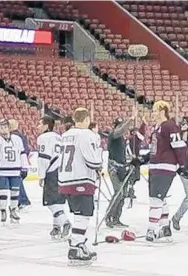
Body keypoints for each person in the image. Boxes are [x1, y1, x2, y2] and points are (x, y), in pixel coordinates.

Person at [58, 108, 103, 265]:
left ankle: (79, 243)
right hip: (81, 179)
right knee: (83, 214)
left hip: (65, 180)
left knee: (78, 214)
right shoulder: (86, 134)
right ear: (86, 119)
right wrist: (99, 164)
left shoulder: (65, 135)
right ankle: (76, 246)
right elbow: (93, 161)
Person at [146, 100, 187, 242]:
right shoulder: (157, 127)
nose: (153, 113)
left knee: (155, 199)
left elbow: (178, 145)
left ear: (163, 111)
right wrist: (142, 159)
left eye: (155, 110)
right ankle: (164, 227)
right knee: (160, 198)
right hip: (155, 166)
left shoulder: (170, 126)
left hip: (165, 167)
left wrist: (182, 165)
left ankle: (151, 228)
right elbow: (154, 149)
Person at [37, 116, 71, 240]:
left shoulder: (43, 138)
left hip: (51, 171)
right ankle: (56, 227)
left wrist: (41, 175)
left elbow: (44, 157)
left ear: (46, 126)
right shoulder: (59, 136)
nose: (38, 127)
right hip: (61, 171)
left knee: (51, 202)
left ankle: (65, 222)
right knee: (58, 201)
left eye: (40, 124)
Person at [0, 119, 29, 224]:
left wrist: (24, 167)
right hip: (2, 171)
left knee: (15, 192)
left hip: (15, 170)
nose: (3, 129)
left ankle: (13, 210)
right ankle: (3, 210)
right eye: (1, 127)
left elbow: (22, 154)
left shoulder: (17, 139)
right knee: (3, 192)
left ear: (9, 128)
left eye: (5, 127)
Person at [105, 107, 138, 228]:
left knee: (123, 194)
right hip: (114, 169)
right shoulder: (113, 135)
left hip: (122, 168)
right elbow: (119, 131)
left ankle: (116, 218)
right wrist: (131, 119)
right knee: (118, 193)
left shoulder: (122, 139)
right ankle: (109, 216)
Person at [9, 119, 31, 210]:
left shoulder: (12, 137)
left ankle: (23, 200)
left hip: (16, 163)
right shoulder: (22, 136)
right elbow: (27, 150)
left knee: (16, 182)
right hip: (22, 163)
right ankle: (20, 201)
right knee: (16, 182)